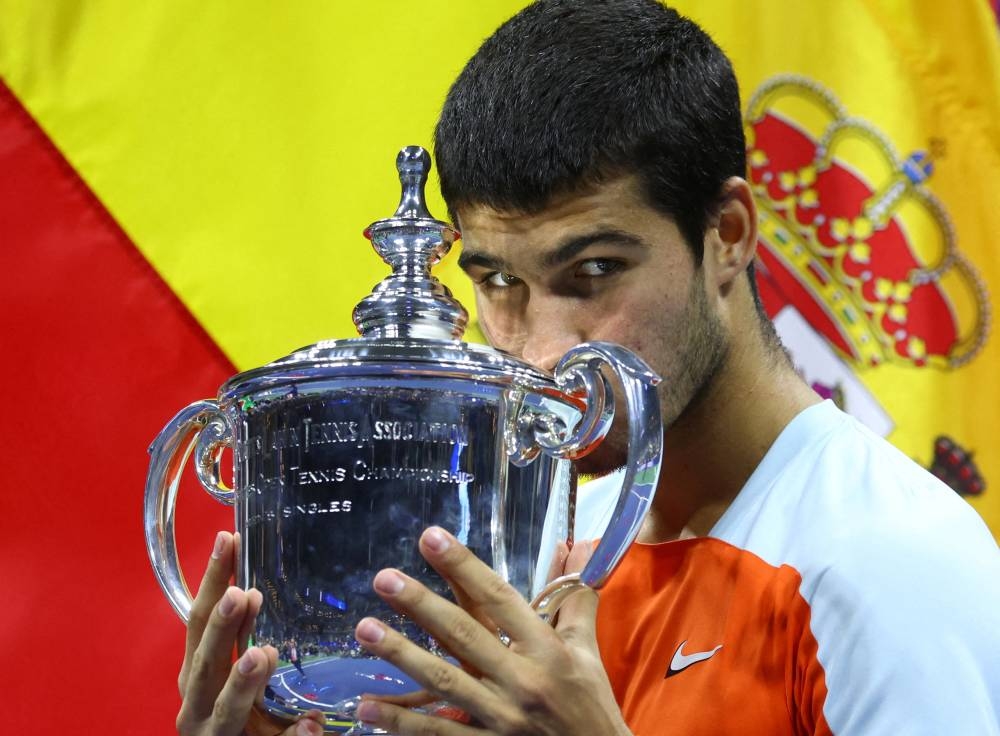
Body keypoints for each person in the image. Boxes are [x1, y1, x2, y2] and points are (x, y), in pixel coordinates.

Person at [175, 2, 1000, 734]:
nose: (540, 349)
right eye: (499, 282)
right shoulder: (526, 545)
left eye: (595, 272)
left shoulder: (892, 563)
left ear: (731, 235)